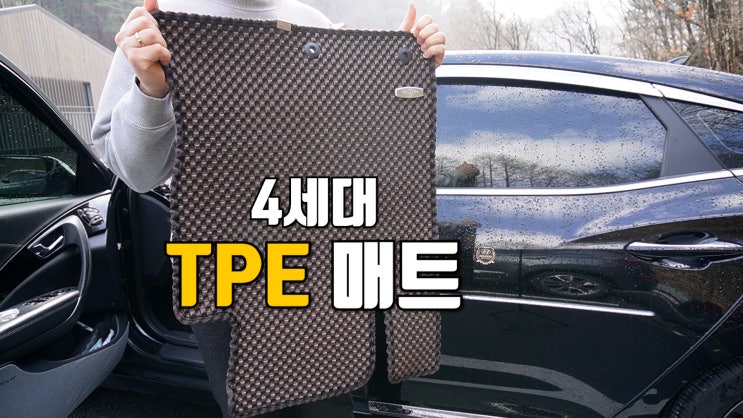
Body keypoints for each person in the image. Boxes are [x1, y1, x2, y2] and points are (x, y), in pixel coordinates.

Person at [91, 1, 446, 417]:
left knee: (329, 398)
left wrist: (400, 68)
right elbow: (137, 174)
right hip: (227, 267)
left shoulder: (313, 24)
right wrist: (151, 90)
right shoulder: (160, 27)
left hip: (319, 258)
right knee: (253, 404)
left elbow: (354, 144)